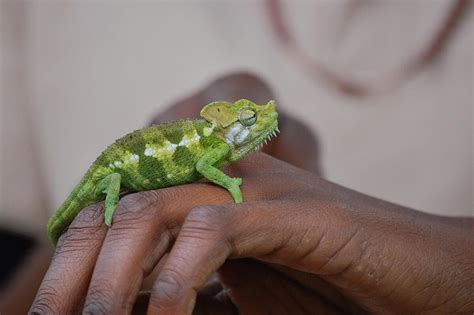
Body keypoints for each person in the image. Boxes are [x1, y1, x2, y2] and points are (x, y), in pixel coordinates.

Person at [28, 74, 473, 314]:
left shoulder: (220, 141)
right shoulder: (213, 143)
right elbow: (205, 167)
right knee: (98, 201)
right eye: (249, 117)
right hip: (117, 171)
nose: (259, 121)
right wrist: (230, 183)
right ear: (229, 121)